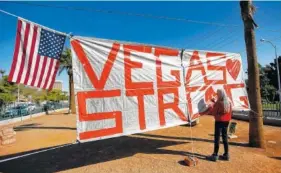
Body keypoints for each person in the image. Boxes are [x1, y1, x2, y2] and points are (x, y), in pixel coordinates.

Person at [208, 88, 232, 162]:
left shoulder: (218, 103)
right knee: (225, 137)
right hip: (226, 121)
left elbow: (214, 112)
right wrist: (215, 102)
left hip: (219, 121)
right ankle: (226, 154)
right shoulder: (229, 101)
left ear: (220, 94)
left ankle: (215, 154)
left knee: (217, 137)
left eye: (217, 94)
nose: (217, 95)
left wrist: (211, 105)